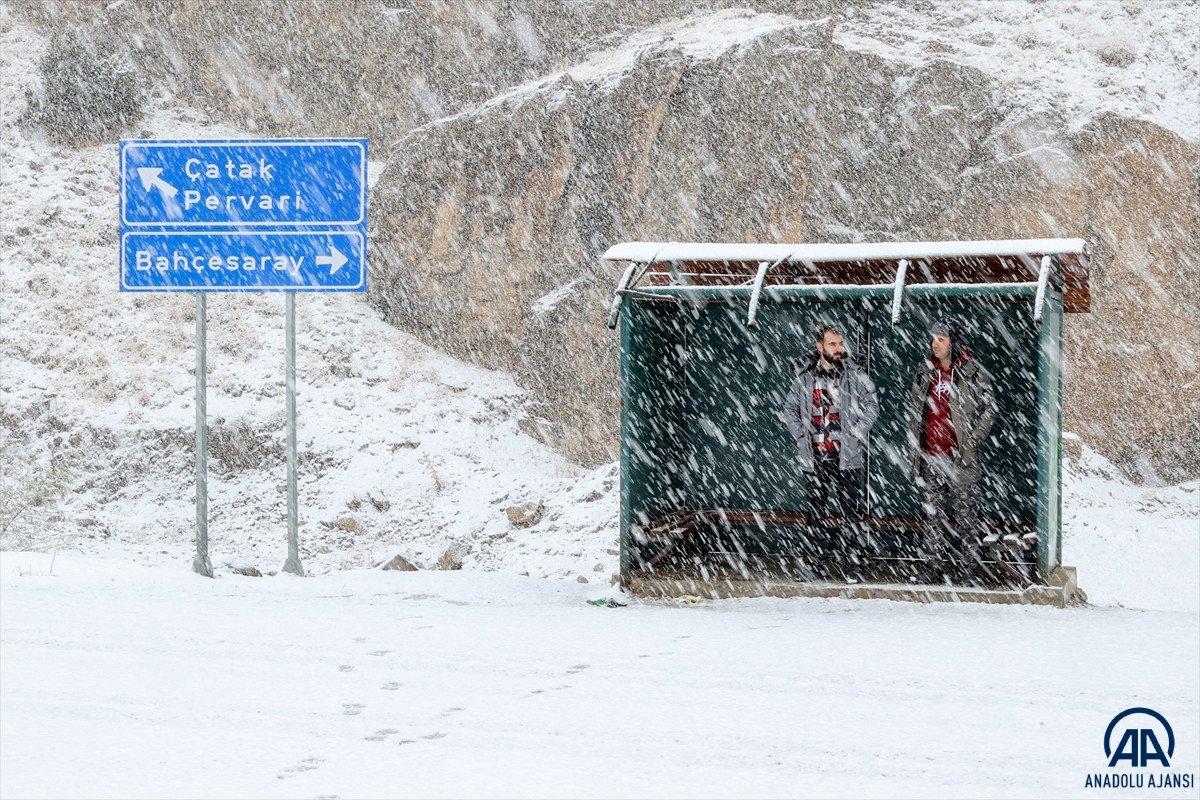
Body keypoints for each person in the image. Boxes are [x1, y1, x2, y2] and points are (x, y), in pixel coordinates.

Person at [904, 319, 997, 584]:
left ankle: (969, 569)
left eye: (941, 339)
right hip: (931, 456)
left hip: (960, 458)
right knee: (933, 516)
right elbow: (913, 409)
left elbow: (990, 409)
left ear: (953, 343)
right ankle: (933, 566)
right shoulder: (926, 372)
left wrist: (970, 443)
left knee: (966, 515)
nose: (935, 344)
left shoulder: (972, 372)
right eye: (933, 339)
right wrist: (916, 444)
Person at [784, 323, 879, 582]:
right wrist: (801, 436)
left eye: (840, 343)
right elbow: (790, 410)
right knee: (815, 513)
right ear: (820, 347)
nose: (839, 349)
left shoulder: (854, 374)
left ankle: (853, 567)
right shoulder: (804, 378)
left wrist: (857, 433)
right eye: (832, 344)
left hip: (845, 457)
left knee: (851, 514)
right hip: (815, 457)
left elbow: (872, 405)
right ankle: (814, 564)